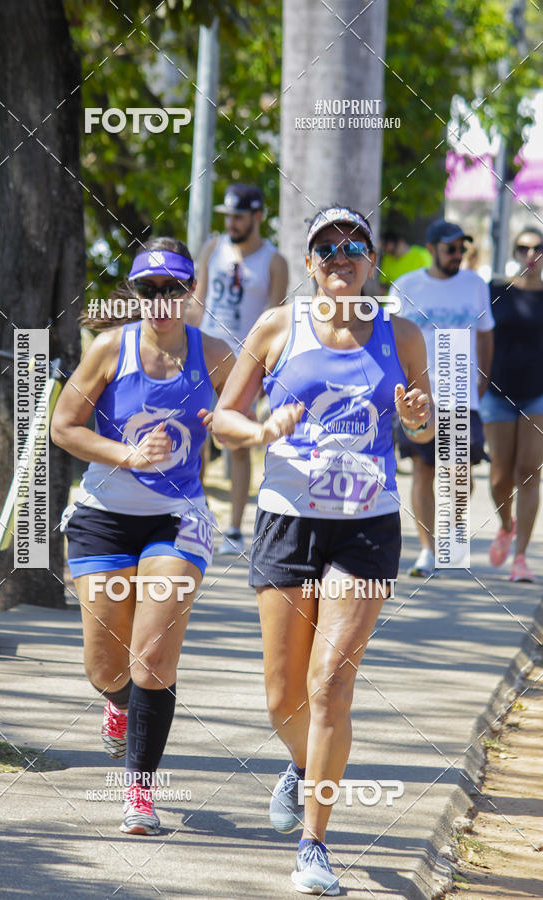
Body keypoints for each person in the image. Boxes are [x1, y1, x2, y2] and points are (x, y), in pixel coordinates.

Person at [213, 206, 433, 895]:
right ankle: (304, 764)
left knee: (330, 682)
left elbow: (426, 435)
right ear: (309, 264)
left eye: (353, 245)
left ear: (373, 260)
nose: (341, 255)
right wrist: (259, 429)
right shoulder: (278, 326)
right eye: (326, 248)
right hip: (286, 520)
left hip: (367, 525)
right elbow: (221, 421)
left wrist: (418, 423)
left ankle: (314, 845)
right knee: (284, 697)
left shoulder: (402, 335)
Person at [51, 238, 233, 834]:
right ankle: (117, 703)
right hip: (104, 514)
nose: (160, 300)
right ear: (135, 293)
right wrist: (127, 454)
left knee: (152, 656)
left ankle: (139, 792)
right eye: (148, 289)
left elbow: (243, 417)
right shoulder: (110, 349)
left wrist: (239, 428)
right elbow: (64, 427)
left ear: (190, 291)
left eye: (173, 288)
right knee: (108, 667)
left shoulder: (216, 354)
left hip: (178, 518)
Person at [389, 218, 494, 577]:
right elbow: (391, 338)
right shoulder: (406, 285)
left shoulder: (476, 284)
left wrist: (483, 378)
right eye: (451, 249)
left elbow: (485, 333)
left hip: (461, 386)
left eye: (462, 249)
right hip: (421, 390)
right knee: (423, 468)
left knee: (459, 471)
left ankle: (454, 533)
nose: (458, 255)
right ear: (432, 249)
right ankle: (428, 549)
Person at [187, 184, 289, 555]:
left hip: (244, 362)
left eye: (239, 215)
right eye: (227, 215)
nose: (231, 222)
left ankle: (233, 528)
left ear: (258, 216)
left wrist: (266, 370)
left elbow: (275, 317)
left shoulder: (274, 261)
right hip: (203, 351)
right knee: (194, 433)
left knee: (238, 442)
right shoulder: (213, 249)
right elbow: (197, 302)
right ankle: (195, 515)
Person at [481, 227, 543, 582]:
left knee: (530, 473)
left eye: (537, 248)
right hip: (497, 392)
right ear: (515, 251)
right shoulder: (495, 291)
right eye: (523, 248)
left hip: (538, 394)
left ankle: (520, 557)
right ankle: (506, 525)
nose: (530, 255)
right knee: (500, 476)